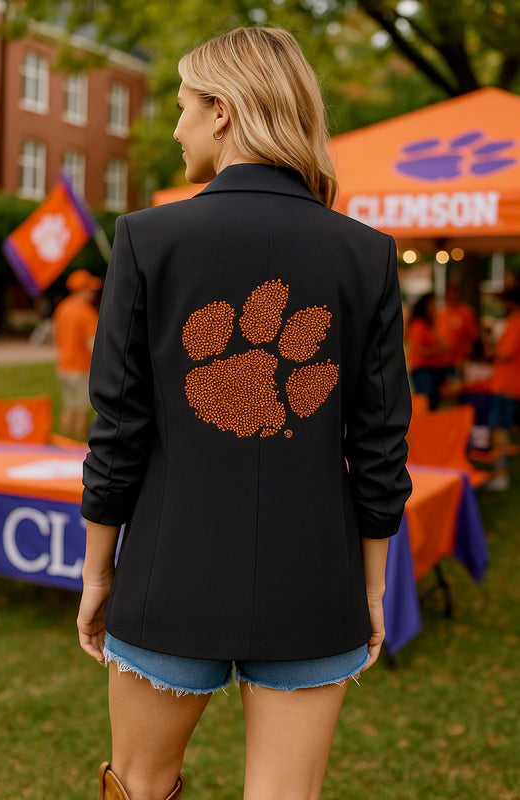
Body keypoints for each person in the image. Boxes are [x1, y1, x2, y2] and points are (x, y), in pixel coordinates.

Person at [77, 26, 412, 800]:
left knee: (140, 788)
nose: (175, 126)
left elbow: (118, 431)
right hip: (314, 578)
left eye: (184, 106)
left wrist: (99, 575)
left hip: (169, 575)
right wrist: (370, 589)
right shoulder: (363, 253)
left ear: (222, 112)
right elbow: (381, 443)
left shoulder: (146, 239)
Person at [53, 269, 102, 440]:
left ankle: (65, 443)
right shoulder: (86, 311)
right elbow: (92, 343)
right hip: (80, 367)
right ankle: (77, 447)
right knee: (82, 410)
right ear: (82, 290)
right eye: (90, 289)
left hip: (63, 366)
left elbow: (56, 336)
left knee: (69, 407)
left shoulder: (62, 308)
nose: (93, 293)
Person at [484, 287, 520, 490]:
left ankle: (500, 474)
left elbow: (504, 353)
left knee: (499, 431)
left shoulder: (516, 322)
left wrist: (490, 343)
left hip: (507, 385)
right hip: (510, 383)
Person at [405, 292, 447, 410]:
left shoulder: (431, 325)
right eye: (433, 304)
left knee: (433, 402)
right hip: (423, 369)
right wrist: (439, 350)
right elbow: (418, 350)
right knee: (425, 402)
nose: (435, 308)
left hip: (434, 369)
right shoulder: (418, 325)